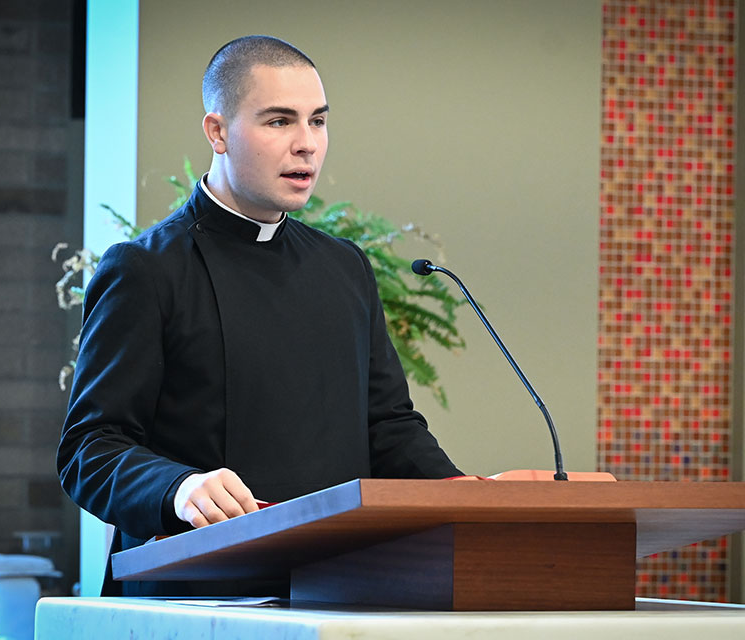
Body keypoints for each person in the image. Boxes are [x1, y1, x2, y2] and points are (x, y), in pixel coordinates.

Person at [57, 35, 461, 597]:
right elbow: (89, 449)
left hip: (336, 586)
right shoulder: (146, 269)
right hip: (198, 592)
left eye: (318, 121)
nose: (307, 145)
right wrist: (179, 487)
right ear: (217, 132)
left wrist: (466, 498)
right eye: (279, 121)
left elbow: (388, 426)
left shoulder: (344, 268)